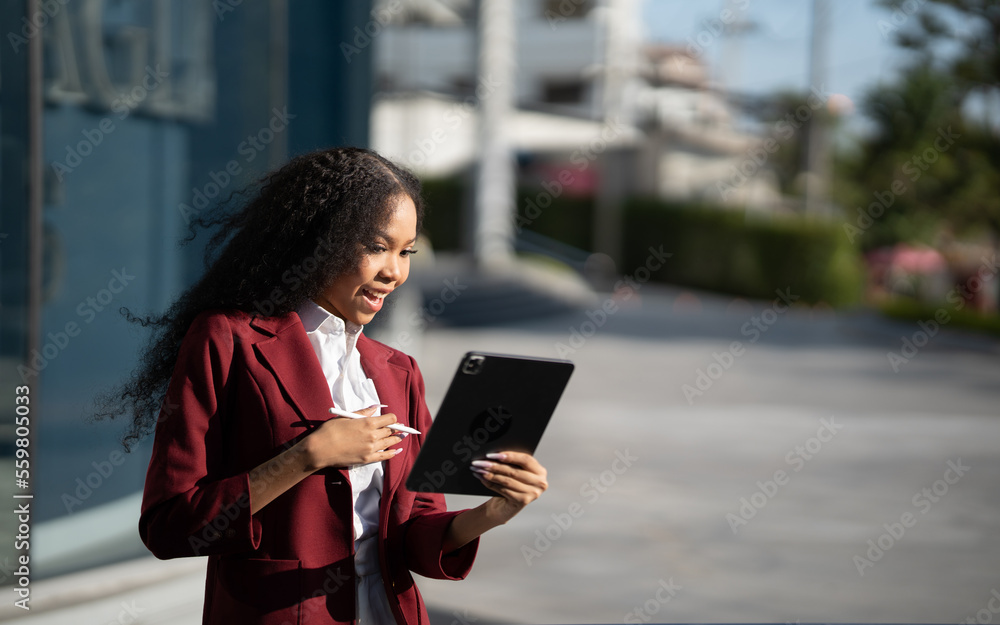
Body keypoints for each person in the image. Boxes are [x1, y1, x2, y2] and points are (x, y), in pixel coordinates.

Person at [97, 147, 549, 624]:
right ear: (319, 238)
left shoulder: (398, 371)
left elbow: (413, 533)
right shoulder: (229, 340)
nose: (394, 272)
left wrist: (493, 512)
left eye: (406, 251)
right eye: (376, 246)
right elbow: (170, 526)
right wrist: (307, 455)